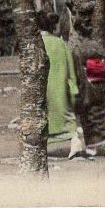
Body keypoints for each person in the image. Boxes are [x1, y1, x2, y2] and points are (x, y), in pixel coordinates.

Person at [38, 12, 84, 159]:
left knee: (43, 120)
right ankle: (75, 142)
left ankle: (38, 148)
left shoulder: (35, 46)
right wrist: (73, 87)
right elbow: (71, 70)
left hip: (41, 91)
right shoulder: (60, 44)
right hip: (60, 91)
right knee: (66, 121)